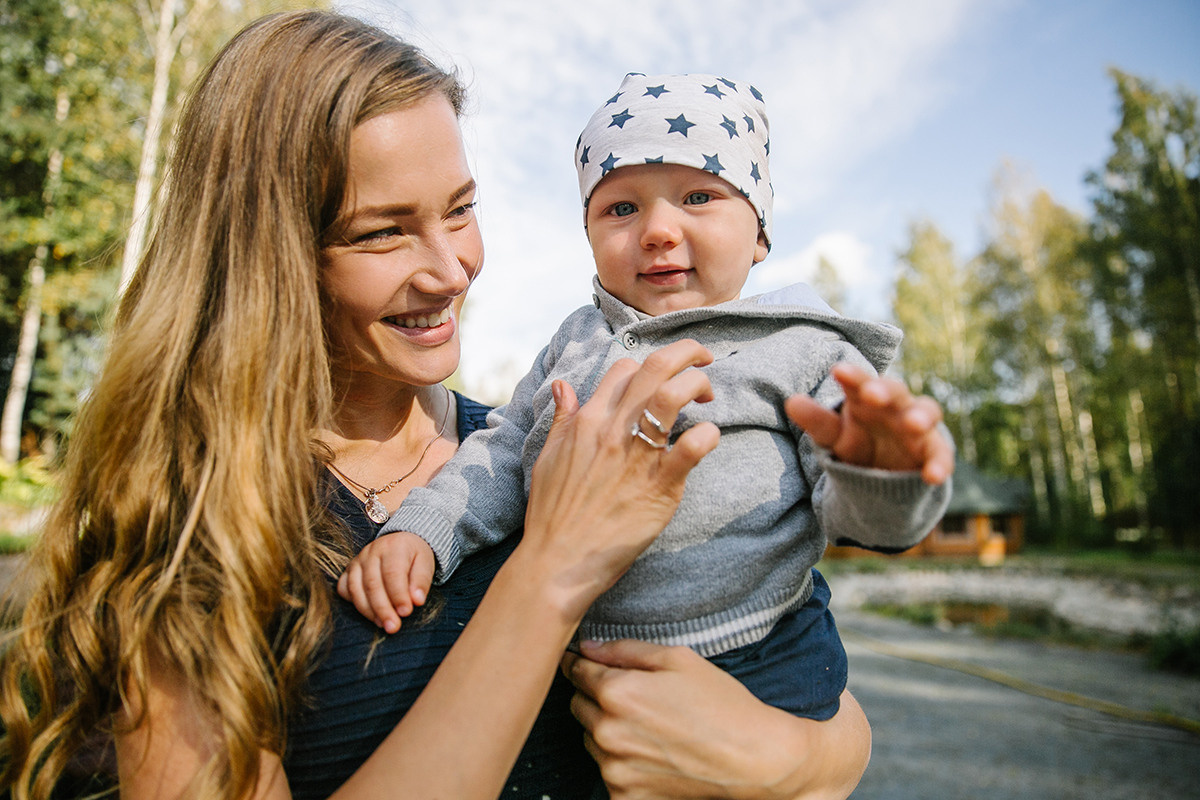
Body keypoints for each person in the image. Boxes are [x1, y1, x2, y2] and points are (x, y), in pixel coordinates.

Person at [0, 14, 875, 800]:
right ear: (269, 257)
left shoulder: (530, 444)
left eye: (460, 210)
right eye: (382, 230)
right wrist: (549, 575)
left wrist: (783, 759)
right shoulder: (190, 536)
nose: (451, 270)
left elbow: (804, 662)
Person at [342, 72, 955, 721]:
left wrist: (882, 472)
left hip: (762, 654)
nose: (658, 229)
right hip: (582, 668)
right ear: (588, 234)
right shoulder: (576, 344)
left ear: (760, 234)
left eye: (697, 196)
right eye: (621, 208)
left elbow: (864, 525)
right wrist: (424, 530)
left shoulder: (807, 349)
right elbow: (497, 452)